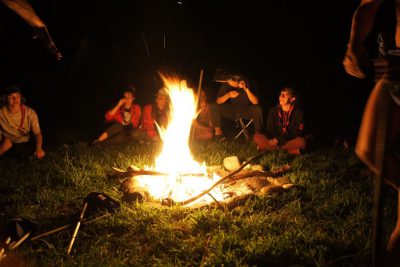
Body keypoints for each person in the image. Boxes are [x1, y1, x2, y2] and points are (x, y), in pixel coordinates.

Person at [343, 0, 400, 265]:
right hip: (395, 60)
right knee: (368, 149)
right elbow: (369, 4)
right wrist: (354, 43)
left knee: (395, 246)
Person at [253, 87, 306, 155]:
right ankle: (288, 151)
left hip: (288, 140)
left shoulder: (298, 112)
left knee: (302, 141)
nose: (281, 97)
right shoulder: (273, 111)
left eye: (285, 95)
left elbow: (298, 132)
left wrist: (280, 139)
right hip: (274, 140)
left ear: (292, 99)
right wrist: (275, 139)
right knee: (257, 136)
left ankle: (269, 149)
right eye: (281, 94)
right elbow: (270, 130)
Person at [209, 74, 263, 140]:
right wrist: (228, 95)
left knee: (257, 109)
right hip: (232, 109)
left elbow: (255, 102)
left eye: (237, 81)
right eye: (232, 81)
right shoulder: (227, 84)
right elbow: (218, 101)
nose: (235, 83)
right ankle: (218, 134)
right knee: (213, 106)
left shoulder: (247, 82)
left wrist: (246, 89)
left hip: (245, 110)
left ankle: (259, 136)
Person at [0, 85, 45, 159]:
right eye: (11, 97)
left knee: (25, 149)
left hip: (23, 143)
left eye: (17, 96)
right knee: (7, 145)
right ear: (5, 99)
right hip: (6, 143)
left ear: (21, 98)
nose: (15, 99)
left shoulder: (29, 112)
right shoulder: (1, 114)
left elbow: (37, 134)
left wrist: (38, 149)